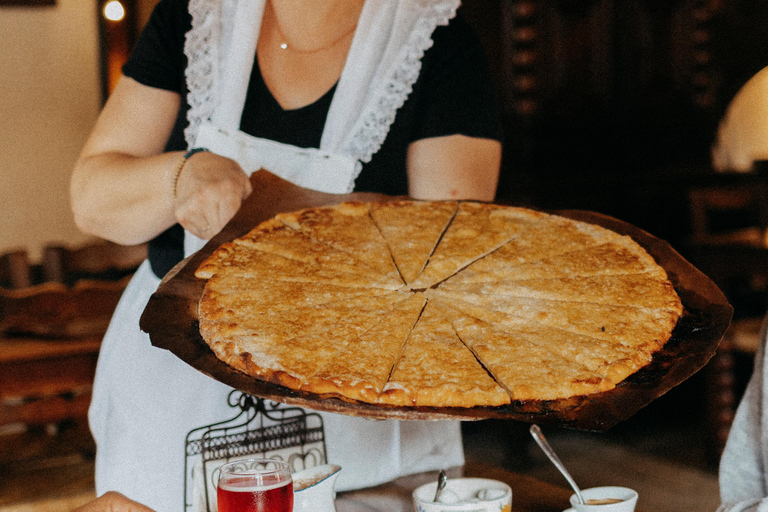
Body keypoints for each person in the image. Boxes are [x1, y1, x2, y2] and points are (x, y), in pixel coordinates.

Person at [70, 0, 503, 510]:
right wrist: (182, 175)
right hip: (175, 399)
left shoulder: (438, 39)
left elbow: (444, 269)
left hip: (361, 406)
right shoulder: (195, 16)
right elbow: (92, 202)